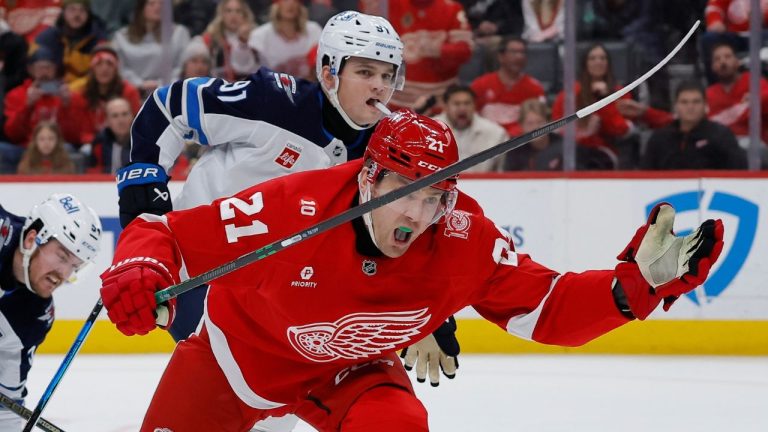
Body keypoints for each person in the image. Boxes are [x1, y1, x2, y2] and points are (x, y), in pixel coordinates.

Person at [99, 110, 724, 431]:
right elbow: (167, 233)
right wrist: (141, 268)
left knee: (398, 425)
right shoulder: (293, 207)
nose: (422, 214)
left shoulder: (461, 236)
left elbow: (549, 310)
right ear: (370, 175)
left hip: (354, 370)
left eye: (438, 196)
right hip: (236, 361)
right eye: (407, 190)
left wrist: (634, 288)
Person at [116, 10, 458, 431]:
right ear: (329, 73)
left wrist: (431, 309)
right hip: (203, 268)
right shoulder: (275, 102)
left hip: (281, 290)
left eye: (388, 75)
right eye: (366, 71)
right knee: (249, 392)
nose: (380, 86)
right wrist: (143, 183)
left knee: (273, 413)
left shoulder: (382, 152)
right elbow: (167, 108)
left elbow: (408, 225)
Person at [0, 193, 102, 430]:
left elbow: (6, 406)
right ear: (32, 239)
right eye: (62, 256)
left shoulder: (34, 316)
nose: (63, 274)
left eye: (74, 266)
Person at [641, 80, 746, 170]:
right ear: (676, 106)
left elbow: (736, 173)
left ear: (705, 105)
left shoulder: (721, 136)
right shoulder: (660, 139)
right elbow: (645, 177)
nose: (690, 107)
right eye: (684, 102)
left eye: (696, 102)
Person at [111, 0, 191, 97]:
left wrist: (162, 84)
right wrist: (139, 83)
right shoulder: (121, 36)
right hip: (132, 92)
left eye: (161, 4)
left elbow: (182, 65)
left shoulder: (180, 33)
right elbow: (120, 67)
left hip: (169, 91)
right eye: (152, 4)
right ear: (141, 8)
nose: (158, 7)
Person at [470, 36, 546, 137]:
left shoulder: (534, 88)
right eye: (514, 52)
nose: (519, 56)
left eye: (522, 52)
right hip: (486, 141)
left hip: (519, 143)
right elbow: (471, 118)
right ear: (501, 56)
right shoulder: (480, 85)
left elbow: (539, 124)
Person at [433, 84, 507, 172]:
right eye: (457, 104)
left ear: (474, 106)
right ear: (446, 107)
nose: (462, 108)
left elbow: (502, 173)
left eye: (467, 103)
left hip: (482, 184)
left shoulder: (495, 133)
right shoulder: (428, 131)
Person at [33, 0, 107, 85]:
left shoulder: (99, 41)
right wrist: (53, 89)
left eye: (82, 10)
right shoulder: (46, 38)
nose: (77, 15)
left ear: (89, 14)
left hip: (87, 91)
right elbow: (35, 71)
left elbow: (102, 75)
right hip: (52, 90)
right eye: (72, 10)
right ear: (63, 12)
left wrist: (73, 90)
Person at [248, 0, 322, 79]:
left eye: (295, 1)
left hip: (308, 86)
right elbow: (249, 69)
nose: (290, 3)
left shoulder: (314, 30)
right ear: (276, 5)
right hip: (271, 87)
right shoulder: (260, 35)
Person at [201, 0, 260, 82]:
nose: (233, 15)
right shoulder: (211, 37)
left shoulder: (256, 35)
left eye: (238, 11)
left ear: (244, 14)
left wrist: (244, 41)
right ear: (222, 14)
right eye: (228, 11)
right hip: (217, 85)